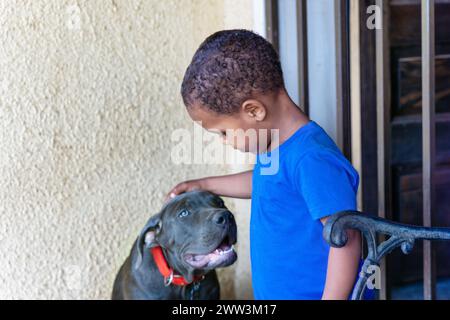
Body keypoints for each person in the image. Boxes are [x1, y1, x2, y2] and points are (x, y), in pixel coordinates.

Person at [166, 29, 370, 299]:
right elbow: (265, 182)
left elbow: (347, 239)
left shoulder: (311, 159)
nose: (225, 141)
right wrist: (204, 184)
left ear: (254, 111)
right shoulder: (276, 144)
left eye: (224, 132)